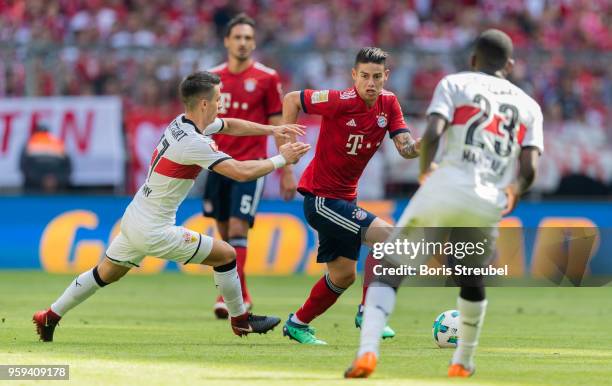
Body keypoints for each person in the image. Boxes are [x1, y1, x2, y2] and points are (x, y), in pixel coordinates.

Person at [33, 71, 311, 342]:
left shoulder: (182, 123)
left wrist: (272, 128)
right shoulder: (193, 143)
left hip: (135, 216)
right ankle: (241, 321)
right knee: (226, 254)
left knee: (103, 273)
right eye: (218, 99)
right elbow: (239, 171)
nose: (221, 104)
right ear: (204, 104)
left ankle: (50, 315)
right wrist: (281, 159)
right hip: (154, 230)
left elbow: (229, 125)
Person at [345, 29, 543, 378]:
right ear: (510, 65)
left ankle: (367, 352)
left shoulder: (455, 83)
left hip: (445, 184)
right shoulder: (529, 106)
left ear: (472, 60)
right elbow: (529, 168)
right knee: (470, 280)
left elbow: (434, 132)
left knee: (390, 270)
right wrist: (514, 190)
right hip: (488, 200)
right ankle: (463, 361)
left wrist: (426, 171)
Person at [280, 47, 420, 345]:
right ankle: (371, 312)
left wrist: (424, 145)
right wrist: (287, 149)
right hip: (321, 199)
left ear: (386, 77)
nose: (371, 83)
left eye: (377, 77)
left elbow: (405, 149)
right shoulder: (338, 100)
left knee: (343, 276)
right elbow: (292, 99)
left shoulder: (389, 103)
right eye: (365, 76)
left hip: (345, 201)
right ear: (354, 75)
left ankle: (297, 323)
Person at [203, 14, 296, 319]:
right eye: (237, 37)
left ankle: (227, 297)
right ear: (226, 41)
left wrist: (286, 170)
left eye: (248, 38)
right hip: (217, 165)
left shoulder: (267, 79)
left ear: (254, 43)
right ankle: (241, 293)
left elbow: (277, 126)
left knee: (238, 228)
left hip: (250, 167)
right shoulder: (212, 79)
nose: (243, 43)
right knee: (223, 233)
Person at [20, 124, 71, 193]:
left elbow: (24, 167)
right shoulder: (57, 143)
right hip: (56, 186)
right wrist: (56, 180)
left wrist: (42, 180)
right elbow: (67, 167)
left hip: (34, 187)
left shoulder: (30, 143)